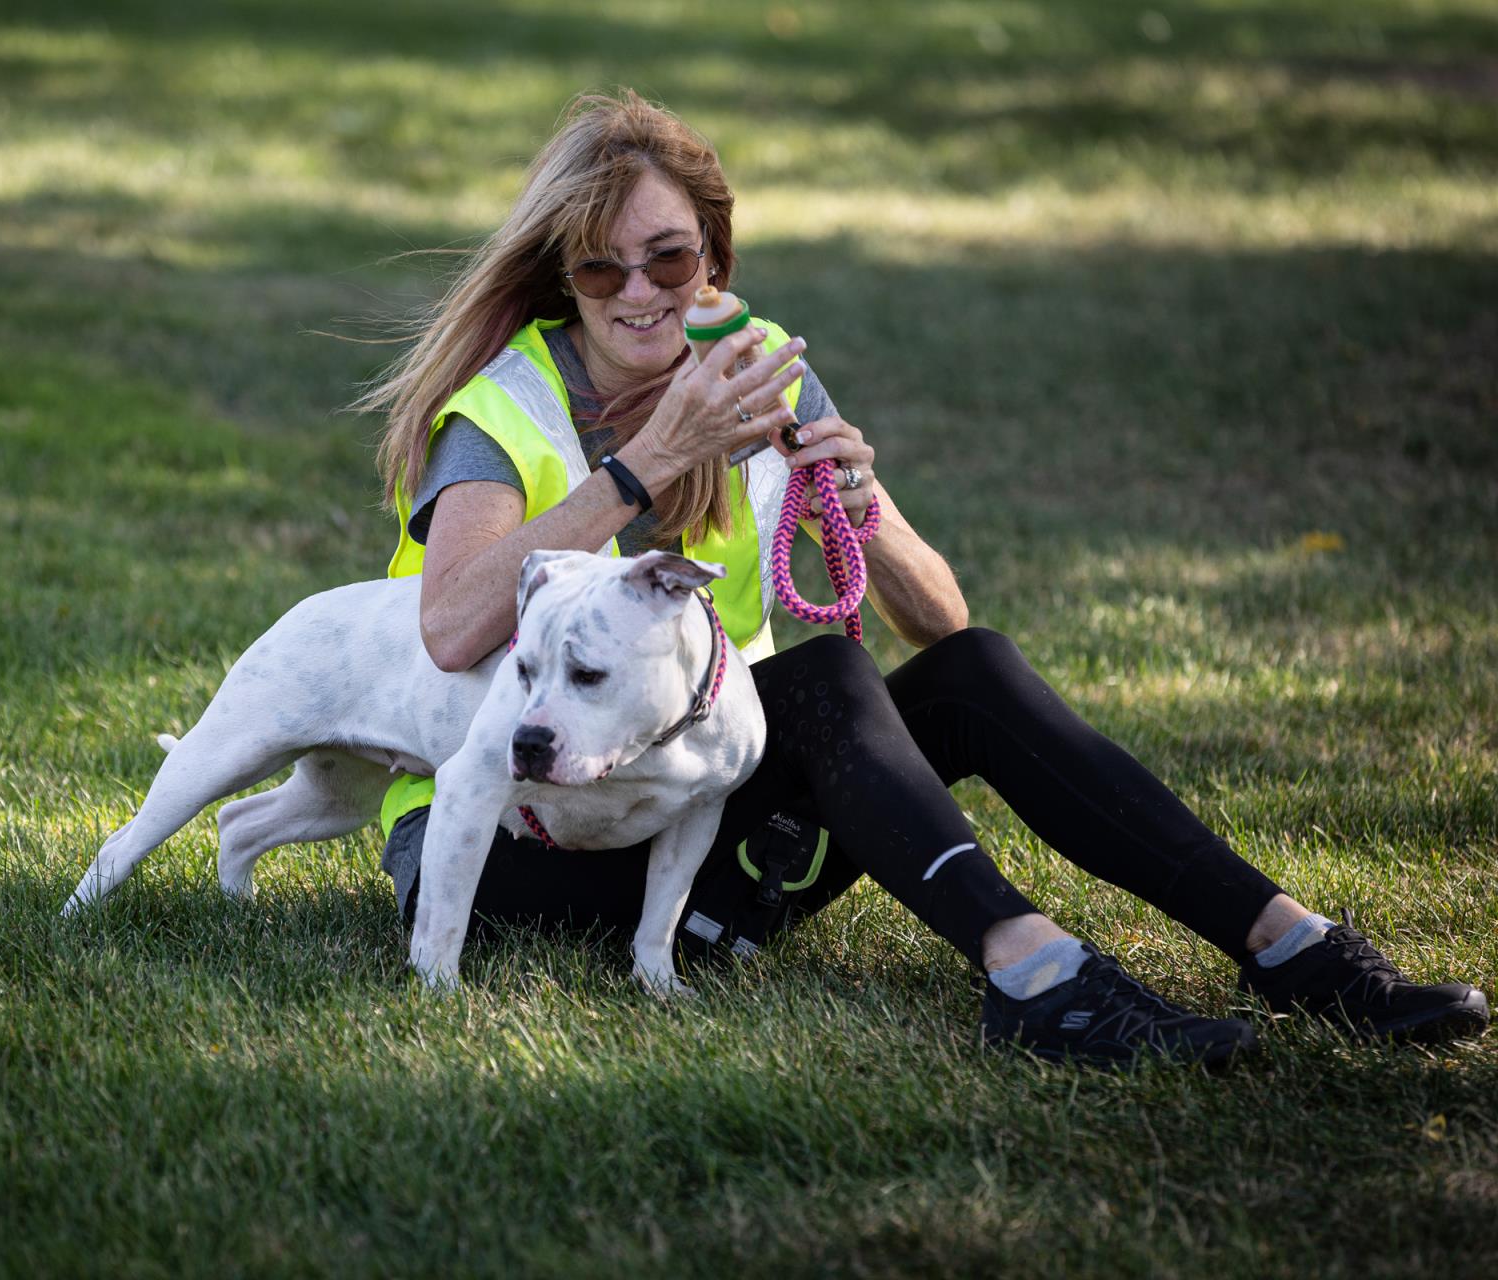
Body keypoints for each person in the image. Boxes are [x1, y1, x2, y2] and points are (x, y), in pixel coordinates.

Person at [353, 90, 1487, 1064]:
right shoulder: (504, 408)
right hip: (509, 855)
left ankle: (1290, 945)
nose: (638, 289)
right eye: (602, 263)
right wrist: (647, 464)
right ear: (564, 272)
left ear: (715, 264)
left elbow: (939, 622)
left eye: (670, 257)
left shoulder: (760, 369)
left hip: (686, 817)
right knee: (829, 676)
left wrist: (861, 506)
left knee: (971, 669)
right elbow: (452, 627)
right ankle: (1034, 975)